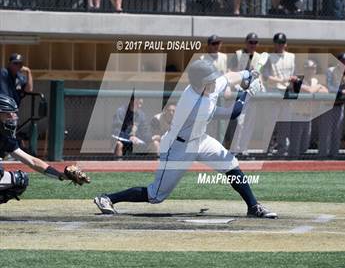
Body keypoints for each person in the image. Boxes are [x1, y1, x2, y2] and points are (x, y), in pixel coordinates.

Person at [94, 59, 277, 218]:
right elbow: (233, 113)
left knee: (230, 163)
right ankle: (108, 198)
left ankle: (253, 206)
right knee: (156, 195)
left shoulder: (206, 86)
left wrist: (247, 73)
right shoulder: (196, 103)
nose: (214, 82)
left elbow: (228, 77)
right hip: (178, 147)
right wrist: (248, 93)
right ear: (200, 83)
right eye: (210, 80)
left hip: (200, 139)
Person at [0, 95, 88, 204]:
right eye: (7, 113)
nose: (12, 117)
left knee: (21, 180)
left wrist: (60, 175)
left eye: (12, 113)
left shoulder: (4, 138)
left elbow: (32, 161)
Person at [261, 32, 296, 155]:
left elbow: (293, 73)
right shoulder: (269, 57)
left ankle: (282, 149)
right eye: (277, 43)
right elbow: (265, 76)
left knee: (284, 122)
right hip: (273, 91)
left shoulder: (291, 56)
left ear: (285, 44)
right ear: (274, 44)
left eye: (282, 43)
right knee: (270, 122)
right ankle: (268, 149)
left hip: (286, 92)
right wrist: (281, 80)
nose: (280, 45)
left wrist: (292, 79)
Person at [318, 53, 345, 158]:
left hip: (339, 105)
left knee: (337, 131)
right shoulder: (330, 71)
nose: (344, 63)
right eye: (342, 60)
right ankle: (322, 156)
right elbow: (330, 88)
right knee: (325, 132)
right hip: (327, 105)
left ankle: (334, 155)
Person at [227, 33, 261, 153]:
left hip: (252, 94)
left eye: (255, 42)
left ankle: (244, 149)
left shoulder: (259, 57)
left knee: (249, 124)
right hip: (239, 93)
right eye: (250, 42)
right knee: (239, 122)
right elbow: (230, 71)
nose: (253, 45)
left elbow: (262, 77)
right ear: (246, 42)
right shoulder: (238, 54)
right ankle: (235, 149)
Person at [288, 59, 328, 157]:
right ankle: (291, 164)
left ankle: (301, 165)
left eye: (313, 68)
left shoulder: (315, 81)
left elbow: (326, 92)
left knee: (305, 144)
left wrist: (316, 87)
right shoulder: (298, 80)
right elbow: (310, 91)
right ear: (304, 69)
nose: (310, 71)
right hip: (297, 115)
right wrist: (318, 87)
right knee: (295, 144)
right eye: (308, 68)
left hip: (309, 116)